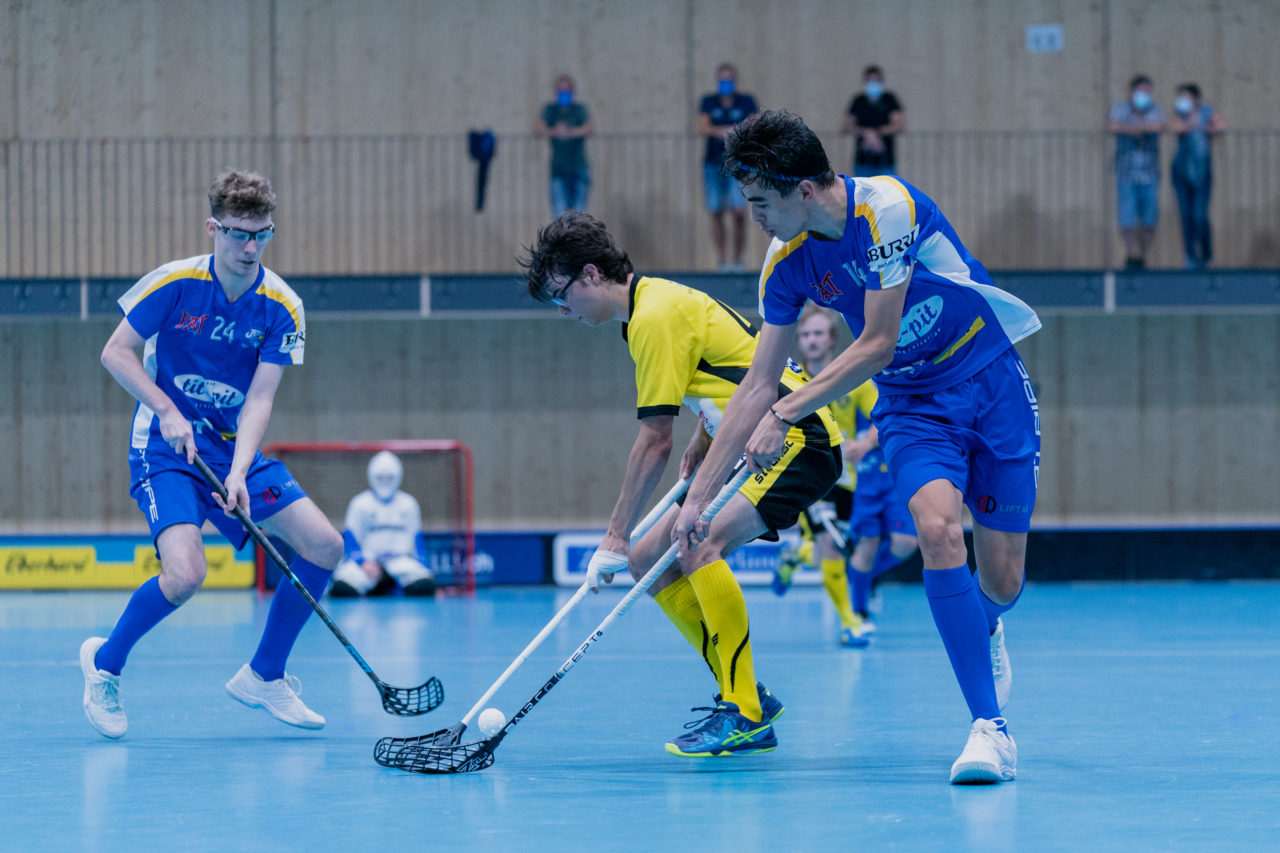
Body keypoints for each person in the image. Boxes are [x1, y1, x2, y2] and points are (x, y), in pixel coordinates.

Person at [673, 110, 1041, 785]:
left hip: (988, 378)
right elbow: (758, 380)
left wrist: (787, 411)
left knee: (1004, 580)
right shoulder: (784, 265)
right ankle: (990, 729)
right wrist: (697, 496)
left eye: (759, 201)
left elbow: (875, 342)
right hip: (912, 405)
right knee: (936, 530)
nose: (752, 216)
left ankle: (986, 624)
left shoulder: (886, 208)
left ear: (802, 189)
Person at [519, 211, 843, 758]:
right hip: (746, 437)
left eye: (561, 293)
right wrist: (706, 431)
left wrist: (613, 536)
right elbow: (728, 365)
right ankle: (745, 696)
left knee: (697, 543)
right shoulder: (652, 304)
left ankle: (742, 712)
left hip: (797, 438)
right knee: (650, 560)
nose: (562, 310)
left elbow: (653, 442)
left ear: (592, 274)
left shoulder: (652, 318)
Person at [81, 169, 344, 739]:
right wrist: (167, 409)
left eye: (262, 235)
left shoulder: (281, 305)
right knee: (185, 574)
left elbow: (261, 399)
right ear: (213, 228)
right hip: (164, 446)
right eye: (238, 234)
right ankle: (104, 664)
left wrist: (243, 470)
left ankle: (264, 676)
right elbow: (115, 353)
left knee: (324, 545)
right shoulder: (174, 284)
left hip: (228, 450)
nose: (250, 248)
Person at [773, 306, 919, 645]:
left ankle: (796, 555)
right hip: (807, 476)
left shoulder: (849, 376)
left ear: (832, 339)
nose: (811, 341)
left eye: (818, 334)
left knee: (848, 546)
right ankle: (850, 622)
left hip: (847, 478)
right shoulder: (789, 380)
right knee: (831, 544)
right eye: (806, 335)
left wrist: (865, 444)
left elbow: (881, 415)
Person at [330, 451, 438, 597]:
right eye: (381, 478)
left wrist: (425, 569)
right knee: (343, 588)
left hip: (400, 562)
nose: (385, 482)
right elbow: (350, 539)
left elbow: (416, 542)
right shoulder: (360, 503)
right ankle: (376, 586)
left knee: (424, 586)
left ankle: (392, 587)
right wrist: (363, 562)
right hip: (368, 563)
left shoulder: (409, 504)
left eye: (389, 478)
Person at [698, 62, 759, 271]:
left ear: (735, 80)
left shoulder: (746, 101)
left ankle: (738, 259)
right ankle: (722, 260)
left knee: (739, 211)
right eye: (722, 79)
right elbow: (704, 126)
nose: (726, 83)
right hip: (713, 163)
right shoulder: (708, 101)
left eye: (729, 79)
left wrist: (728, 131)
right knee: (715, 210)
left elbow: (752, 124)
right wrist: (728, 131)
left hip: (739, 164)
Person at [1109, 75, 1166, 269]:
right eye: (1140, 92)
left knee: (1149, 218)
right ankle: (1130, 253)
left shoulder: (1156, 110)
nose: (1144, 96)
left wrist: (1133, 127)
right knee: (1127, 217)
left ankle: (1143, 254)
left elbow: (1158, 126)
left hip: (1150, 173)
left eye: (1147, 92)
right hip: (1126, 172)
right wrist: (1137, 129)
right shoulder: (1120, 109)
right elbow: (1114, 126)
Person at [1170, 83, 1223, 269]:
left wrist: (1200, 122)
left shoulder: (1207, 112)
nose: (1182, 101)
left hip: (1201, 172)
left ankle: (1206, 254)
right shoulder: (1179, 115)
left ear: (1195, 98)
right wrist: (1190, 121)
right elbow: (1178, 128)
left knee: (1199, 215)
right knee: (1186, 216)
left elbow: (1219, 127)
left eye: (1186, 97)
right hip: (1182, 172)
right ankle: (1190, 256)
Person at [536, 74, 594, 217]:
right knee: (559, 214)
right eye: (560, 90)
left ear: (572, 92)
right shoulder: (550, 109)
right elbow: (538, 128)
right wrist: (554, 131)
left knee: (579, 214)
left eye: (566, 90)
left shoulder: (579, 109)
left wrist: (570, 131)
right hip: (558, 171)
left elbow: (589, 128)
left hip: (579, 169)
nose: (563, 94)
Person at [840, 65, 904, 178]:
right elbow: (847, 126)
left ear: (882, 82)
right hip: (862, 161)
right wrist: (866, 133)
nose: (873, 84)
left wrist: (876, 133)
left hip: (885, 160)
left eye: (877, 80)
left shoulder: (889, 99)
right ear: (865, 82)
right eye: (870, 80)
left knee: (888, 192)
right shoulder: (859, 101)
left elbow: (898, 125)